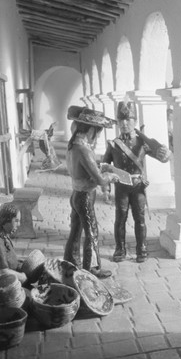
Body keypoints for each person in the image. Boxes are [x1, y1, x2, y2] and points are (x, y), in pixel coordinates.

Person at [102, 100, 171, 263]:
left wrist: (163, 151)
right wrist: (107, 183)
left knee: (140, 219)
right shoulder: (113, 144)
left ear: (135, 121)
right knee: (120, 219)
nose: (125, 124)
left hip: (138, 186)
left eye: (129, 120)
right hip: (121, 187)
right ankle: (120, 249)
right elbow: (105, 167)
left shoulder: (142, 143)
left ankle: (142, 249)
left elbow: (163, 158)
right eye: (121, 120)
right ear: (118, 122)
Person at [63, 106, 119, 278]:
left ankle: (70, 263)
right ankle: (91, 268)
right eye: (98, 132)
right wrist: (110, 175)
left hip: (76, 194)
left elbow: (86, 170)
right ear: (91, 130)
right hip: (85, 196)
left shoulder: (73, 145)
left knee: (75, 231)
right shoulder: (84, 150)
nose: (98, 136)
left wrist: (101, 168)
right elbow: (100, 180)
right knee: (92, 233)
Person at [0, 203, 27, 284]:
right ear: (4, 221)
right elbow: (3, 272)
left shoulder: (4, 236)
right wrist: (22, 277)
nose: (19, 224)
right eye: (16, 221)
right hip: (4, 285)